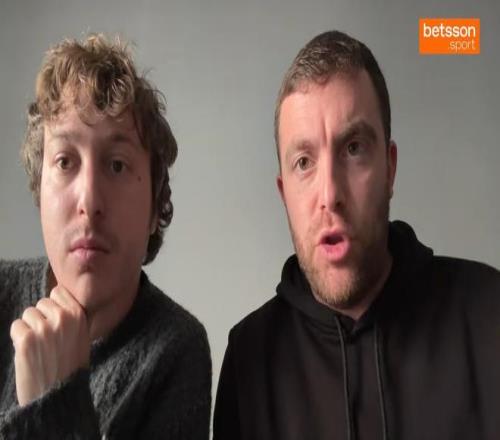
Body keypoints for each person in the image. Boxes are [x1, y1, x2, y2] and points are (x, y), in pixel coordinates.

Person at [213, 30, 500, 440]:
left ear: (390, 169)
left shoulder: (488, 311)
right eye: (304, 162)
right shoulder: (249, 361)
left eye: (353, 149)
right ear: (284, 194)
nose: (330, 194)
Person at [0, 34, 211, 439]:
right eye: (65, 162)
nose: (90, 201)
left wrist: (53, 405)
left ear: (155, 206)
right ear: (39, 193)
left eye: (116, 166)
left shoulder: (174, 352)